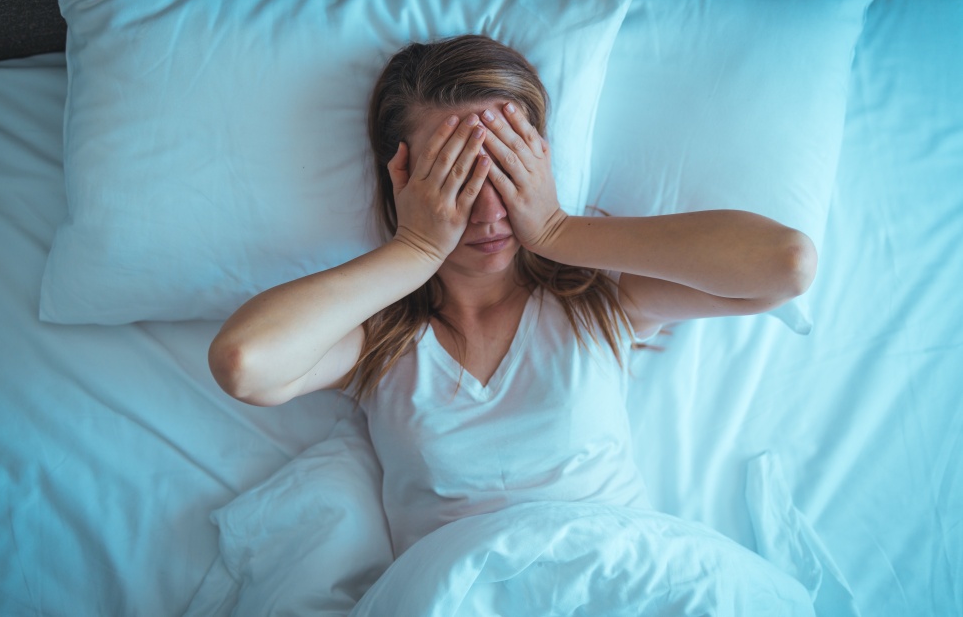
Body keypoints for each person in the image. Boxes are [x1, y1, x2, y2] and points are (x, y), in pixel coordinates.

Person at [208, 34, 817, 557]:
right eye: (458, 176)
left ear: (541, 163)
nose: (491, 209)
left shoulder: (601, 298)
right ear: (401, 181)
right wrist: (415, 249)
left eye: (506, 168)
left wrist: (556, 229)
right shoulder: (379, 338)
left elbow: (785, 266)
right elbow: (244, 363)